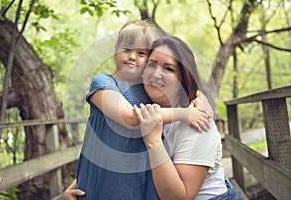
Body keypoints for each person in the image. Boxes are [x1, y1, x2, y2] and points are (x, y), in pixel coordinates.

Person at [69, 20, 212, 200]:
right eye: (127, 49)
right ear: (116, 49)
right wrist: (184, 114)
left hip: (136, 179)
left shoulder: (146, 89)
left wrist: (199, 97)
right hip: (106, 176)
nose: (132, 57)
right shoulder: (103, 84)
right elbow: (131, 118)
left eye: (141, 53)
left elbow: (179, 86)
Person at [134, 36, 242, 199]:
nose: (156, 74)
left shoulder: (197, 122)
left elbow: (179, 197)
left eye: (168, 69)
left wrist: (153, 141)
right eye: (152, 64)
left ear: (183, 78)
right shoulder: (146, 103)